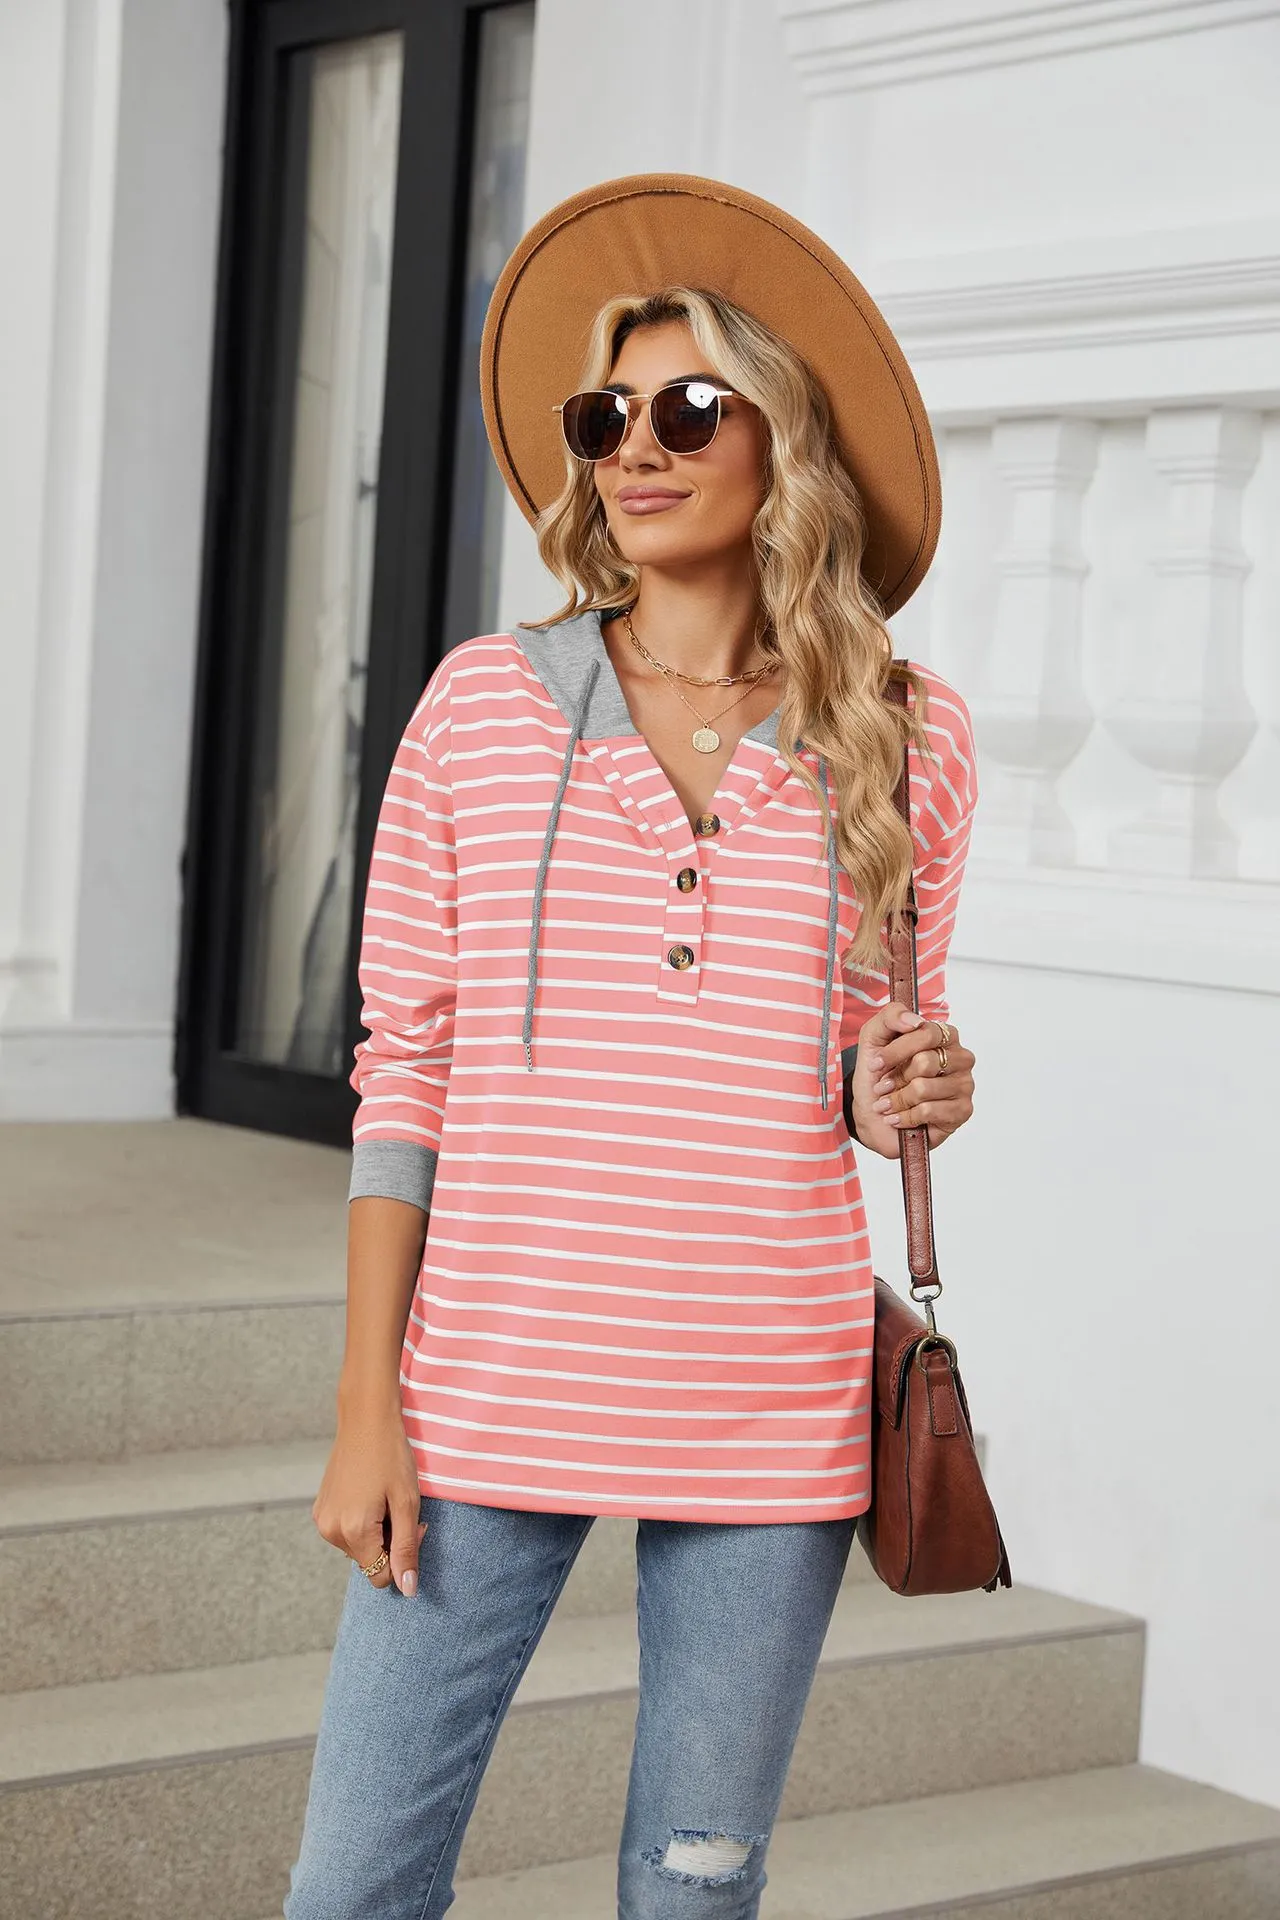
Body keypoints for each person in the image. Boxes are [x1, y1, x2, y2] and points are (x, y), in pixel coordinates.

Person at [284, 172, 978, 1920]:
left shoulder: (905, 734)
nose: (635, 450)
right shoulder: (481, 705)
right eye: (605, 418)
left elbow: (852, 1059)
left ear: (784, 440)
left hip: (770, 1402)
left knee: (693, 1890)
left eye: (688, 410)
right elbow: (405, 1069)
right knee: (354, 1884)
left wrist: (904, 1086)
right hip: (486, 1385)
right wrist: (368, 1407)